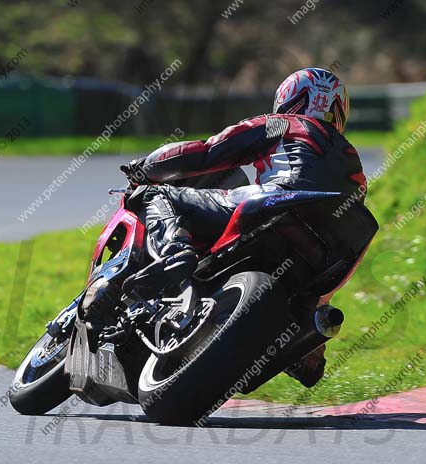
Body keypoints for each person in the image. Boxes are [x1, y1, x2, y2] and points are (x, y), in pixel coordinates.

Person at [121, 67, 368, 386]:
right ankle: (304, 346)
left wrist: (147, 167)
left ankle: (174, 254)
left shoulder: (283, 123)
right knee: (305, 310)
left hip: (272, 203)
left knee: (156, 195)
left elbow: (208, 151)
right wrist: (316, 311)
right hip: (321, 260)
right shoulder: (356, 168)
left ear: (290, 99)